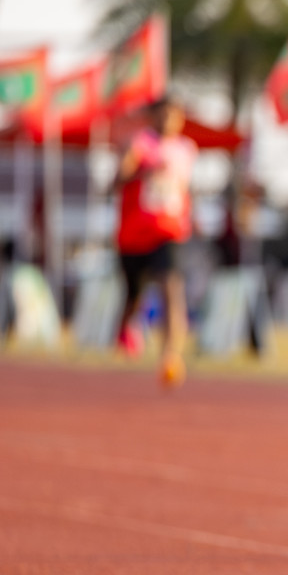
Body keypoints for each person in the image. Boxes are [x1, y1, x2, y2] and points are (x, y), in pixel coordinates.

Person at [115, 95, 198, 387]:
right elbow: (119, 178)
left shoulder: (186, 149)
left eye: (173, 115)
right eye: (163, 115)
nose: (168, 121)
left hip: (169, 231)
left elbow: (184, 189)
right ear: (153, 117)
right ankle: (126, 333)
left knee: (171, 288)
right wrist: (139, 168)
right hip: (135, 233)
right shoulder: (140, 143)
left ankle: (169, 356)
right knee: (134, 294)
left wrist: (194, 217)